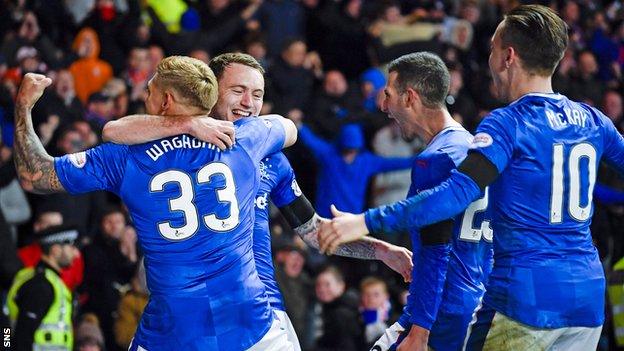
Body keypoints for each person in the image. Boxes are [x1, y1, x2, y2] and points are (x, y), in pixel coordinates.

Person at [321, 5, 624, 350]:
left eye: (493, 47)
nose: (490, 57)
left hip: (525, 301)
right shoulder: (592, 119)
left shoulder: (506, 123)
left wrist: (366, 220)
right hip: (586, 299)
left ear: (508, 57)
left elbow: (454, 195)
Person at [102, 52, 414, 350]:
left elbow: (314, 232)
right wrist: (186, 124)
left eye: (257, 94)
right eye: (238, 90)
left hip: (261, 320)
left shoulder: (270, 158)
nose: (249, 104)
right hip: (186, 322)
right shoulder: (166, 150)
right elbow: (113, 131)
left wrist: (380, 250)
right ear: (210, 92)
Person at [12, 55, 298, 350]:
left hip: (172, 330)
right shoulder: (245, 140)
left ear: (166, 100)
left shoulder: (124, 157)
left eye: (149, 91)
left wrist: (22, 108)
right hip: (249, 324)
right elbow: (288, 128)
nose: (144, 97)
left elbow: (35, 176)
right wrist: (191, 124)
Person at [326, 52, 491, 351]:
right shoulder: (475, 150)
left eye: (388, 95)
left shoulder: (436, 159)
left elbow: (436, 250)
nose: (383, 106)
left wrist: (421, 330)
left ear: (410, 97)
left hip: (439, 311)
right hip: (473, 304)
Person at [6, 225, 79, 351]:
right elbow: (19, 333)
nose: (76, 253)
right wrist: (5, 347)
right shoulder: (41, 285)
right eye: (71, 247)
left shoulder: (52, 282)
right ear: (55, 250)